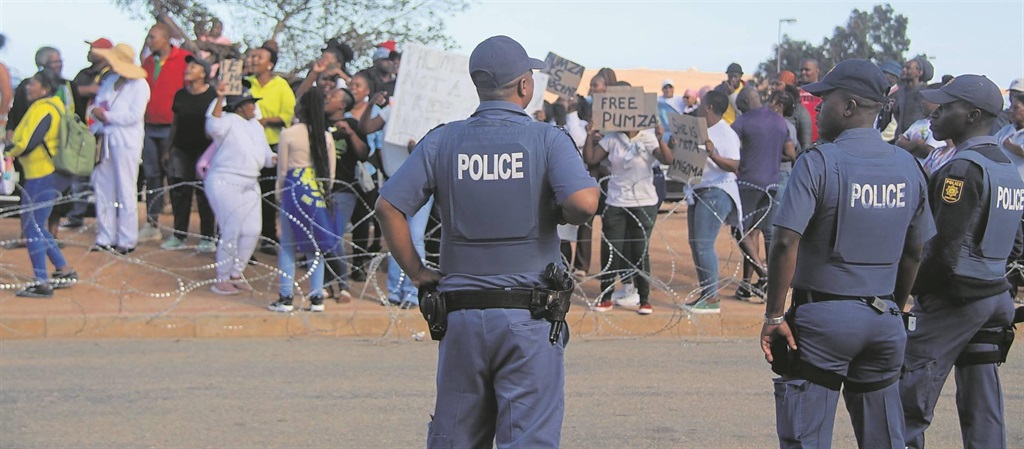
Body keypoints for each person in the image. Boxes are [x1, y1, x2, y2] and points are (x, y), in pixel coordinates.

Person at [376, 35, 598, 448]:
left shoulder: (443, 140)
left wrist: (420, 273)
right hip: (529, 319)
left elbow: (389, 206)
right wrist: (561, 210)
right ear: (524, 86)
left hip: (461, 317)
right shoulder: (547, 139)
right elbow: (584, 203)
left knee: (457, 438)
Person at [760, 59, 935, 449]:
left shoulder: (819, 161)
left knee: (806, 437)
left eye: (826, 99)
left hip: (825, 321)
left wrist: (773, 315)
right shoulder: (908, 166)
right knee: (884, 439)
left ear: (851, 107)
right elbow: (915, 252)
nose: (818, 107)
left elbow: (785, 241)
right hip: (885, 321)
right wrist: (895, 308)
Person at [900, 75, 1024, 449]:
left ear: (971, 115)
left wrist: (907, 291)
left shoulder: (962, 168)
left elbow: (943, 251)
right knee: (982, 403)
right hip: (993, 296)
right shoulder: (1005, 165)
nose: (934, 113)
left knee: (908, 397)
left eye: (945, 106)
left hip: (955, 299)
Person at [584, 82, 674, 315]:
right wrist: (588, 135)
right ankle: (605, 296)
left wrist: (660, 138)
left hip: (644, 202)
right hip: (616, 201)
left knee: (640, 251)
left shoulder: (648, 138)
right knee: (611, 249)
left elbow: (667, 160)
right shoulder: (612, 138)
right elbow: (592, 158)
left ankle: (644, 299)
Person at [2, 69, 78, 297]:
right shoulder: (54, 106)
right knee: (36, 224)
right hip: (46, 173)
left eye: (32, 84)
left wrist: (10, 150)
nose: (28, 87)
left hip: (42, 173)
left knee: (32, 226)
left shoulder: (44, 108)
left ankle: (41, 282)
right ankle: (63, 269)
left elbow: (31, 140)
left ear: (44, 88)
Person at [268, 88, 338, 312]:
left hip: (294, 187)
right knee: (314, 245)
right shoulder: (325, 136)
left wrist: (279, 194)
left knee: (288, 244)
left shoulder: (288, 134)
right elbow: (331, 173)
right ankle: (317, 296)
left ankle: (286, 296)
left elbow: (282, 169)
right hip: (316, 187)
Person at [204, 81, 277, 295]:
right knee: (231, 228)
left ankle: (237, 272)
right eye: (250, 104)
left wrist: (278, 158)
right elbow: (213, 126)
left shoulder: (256, 126)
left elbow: (265, 157)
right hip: (226, 179)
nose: (254, 107)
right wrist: (219, 97)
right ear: (239, 107)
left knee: (252, 229)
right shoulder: (229, 120)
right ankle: (222, 277)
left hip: (251, 181)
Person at [680, 90, 742, 314]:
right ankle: (706, 294)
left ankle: (712, 297)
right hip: (698, 190)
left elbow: (734, 165)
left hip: (717, 191)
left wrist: (713, 154)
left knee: (704, 244)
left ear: (709, 108)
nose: (697, 106)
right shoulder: (699, 129)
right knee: (696, 243)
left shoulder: (725, 133)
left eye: (702, 103)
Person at [90, 43, 152, 255]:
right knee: (102, 187)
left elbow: (134, 116)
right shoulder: (109, 81)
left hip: (126, 142)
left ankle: (127, 239)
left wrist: (107, 116)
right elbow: (96, 105)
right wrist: (97, 113)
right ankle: (105, 236)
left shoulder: (140, 85)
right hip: (104, 140)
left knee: (126, 188)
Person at [731, 87, 790, 301]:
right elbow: (791, 151)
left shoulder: (743, 122)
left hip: (748, 183)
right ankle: (746, 285)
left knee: (740, 231)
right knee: (753, 233)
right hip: (772, 183)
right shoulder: (779, 121)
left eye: (740, 107)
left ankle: (763, 276)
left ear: (746, 103)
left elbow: (729, 146)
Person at [141, 23, 193, 242]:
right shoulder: (147, 62)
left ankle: (179, 231)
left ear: (166, 38)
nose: (149, 40)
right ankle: (152, 224)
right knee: (152, 176)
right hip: (150, 127)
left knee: (175, 176)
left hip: (173, 128)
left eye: (152, 37)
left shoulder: (184, 59)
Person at [160, 55, 218, 252]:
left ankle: (207, 238)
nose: (188, 69)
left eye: (193, 66)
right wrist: (168, 149)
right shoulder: (180, 95)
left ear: (204, 73)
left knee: (205, 193)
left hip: (205, 151)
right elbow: (175, 124)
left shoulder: (213, 96)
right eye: (188, 66)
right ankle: (179, 235)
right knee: (179, 192)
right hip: (181, 149)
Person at [247, 44, 296, 256]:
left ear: (270, 64)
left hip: (271, 145)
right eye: (252, 56)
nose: (253, 60)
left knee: (267, 193)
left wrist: (266, 121)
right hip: (246, 144)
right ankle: (243, 238)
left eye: (258, 57)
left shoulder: (281, 85)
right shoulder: (245, 83)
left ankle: (268, 236)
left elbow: (287, 115)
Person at [60, 38, 113, 230]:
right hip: (82, 132)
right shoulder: (84, 73)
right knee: (79, 175)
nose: (89, 52)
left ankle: (106, 221)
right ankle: (76, 216)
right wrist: (87, 89)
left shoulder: (112, 74)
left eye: (94, 49)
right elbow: (70, 91)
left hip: (104, 134)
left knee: (102, 178)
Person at [325, 87, 370, 300]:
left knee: (335, 236)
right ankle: (325, 284)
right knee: (323, 237)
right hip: (320, 187)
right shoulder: (320, 123)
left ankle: (341, 284)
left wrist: (350, 133)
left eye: (333, 96)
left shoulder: (352, 124)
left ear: (343, 104)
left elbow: (363, 154)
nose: (328, 97)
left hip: (344, 189)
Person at [995, 88, 1024, 180]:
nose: (1011, 111)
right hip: (1005, 186)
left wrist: (1007, 144)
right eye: (1011, 107)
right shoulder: (1006, 131)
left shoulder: (1005, 139)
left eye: (1016, 108)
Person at [798, 59, 823, 144]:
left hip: (820, 141)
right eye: (801, 70)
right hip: (800, 143)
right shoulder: (796, 92)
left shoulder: (823, 91)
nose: (803, 72)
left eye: (807, 70)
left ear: (817, 71)